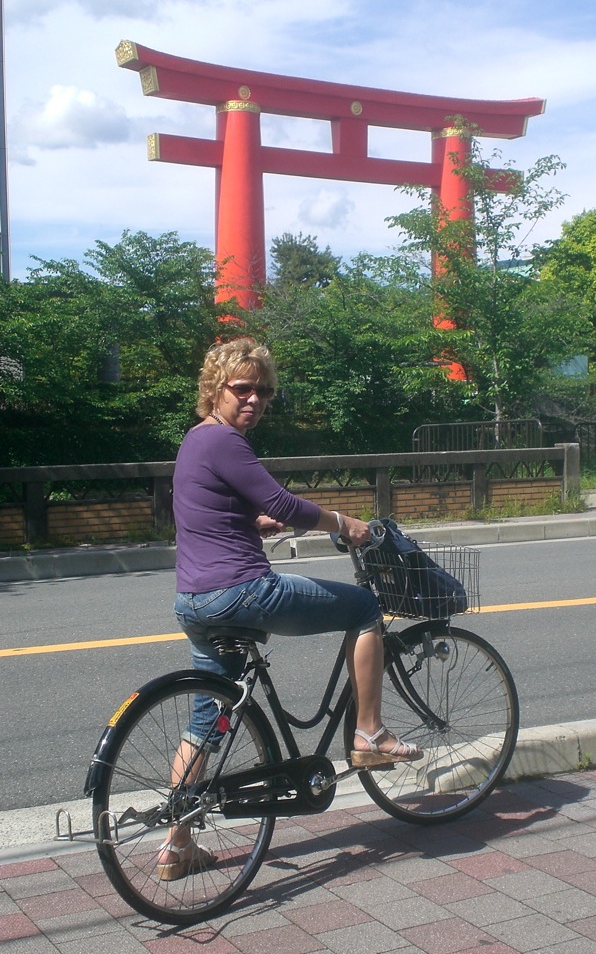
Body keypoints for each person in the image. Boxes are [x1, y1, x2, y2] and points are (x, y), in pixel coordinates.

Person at [159, 337, 420, 880]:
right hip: (242, 591)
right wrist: (343, 523)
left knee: (205, 720)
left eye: (264, 391)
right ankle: (370, 734)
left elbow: (210, 515)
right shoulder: (227, 442)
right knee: (366, 607)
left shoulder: (195, 441)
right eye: (242, 388)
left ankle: (176, 847)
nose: (254, 399)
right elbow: (280, 500)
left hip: (195, 601)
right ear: (215, 389)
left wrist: (251, 524)